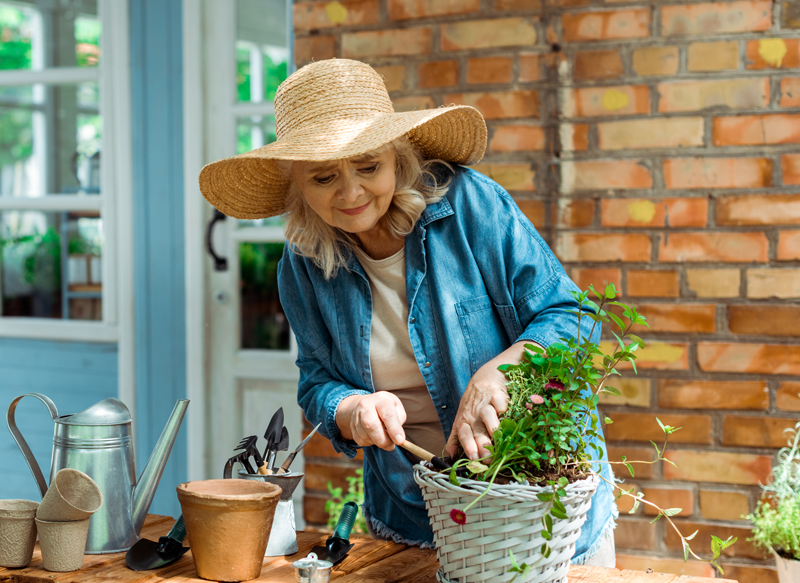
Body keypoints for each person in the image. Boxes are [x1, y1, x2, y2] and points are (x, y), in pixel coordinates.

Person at [199, 58, 616, 565]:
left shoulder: (469, 205)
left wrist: (504, 370)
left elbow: (572, 317)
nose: (350, 193)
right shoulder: (302, 263)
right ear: (296, 186)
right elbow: (315, 382)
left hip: (533, 507)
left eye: (369, 167)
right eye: (324, 176)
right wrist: (350, 410)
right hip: (413, 512)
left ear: (398, 156)